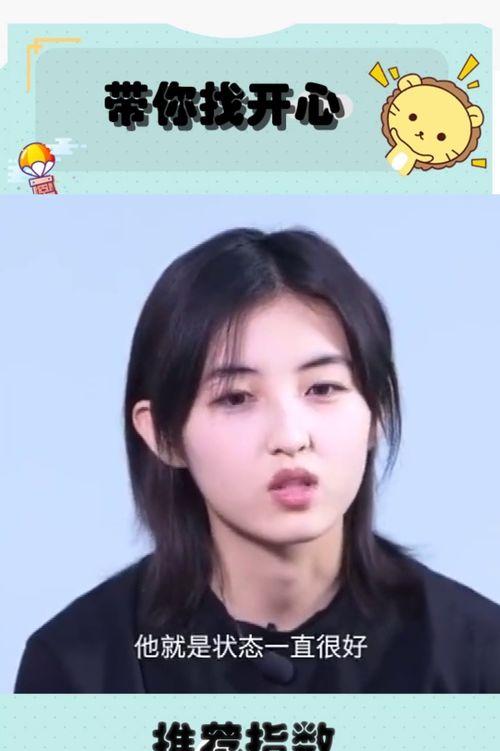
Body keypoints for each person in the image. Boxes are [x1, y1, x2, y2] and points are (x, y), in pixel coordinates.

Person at [14, 226, 500, 693]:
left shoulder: (476, 657)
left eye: (323, 388)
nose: (290, 437)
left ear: (377, 411)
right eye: (236, 398)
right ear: (163, 434)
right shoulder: (77, 670)